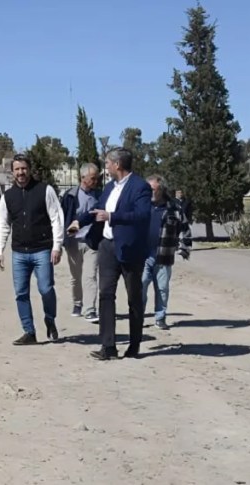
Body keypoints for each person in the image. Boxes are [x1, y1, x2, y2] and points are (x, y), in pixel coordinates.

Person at [77, 148, 152, 360]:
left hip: (130, 249)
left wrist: (112, 216)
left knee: (133, 298)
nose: (105, 167)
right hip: (107, 247)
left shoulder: (140, 187)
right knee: (106, 295)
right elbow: (97, 211)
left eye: (107, 163)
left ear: (117, 165)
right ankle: (108, 346)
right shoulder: (109, 188)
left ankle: (134, 345)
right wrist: (78, 222)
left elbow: (142, 215)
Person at [0, 154, 65, 345]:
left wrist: (57, 246)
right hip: (19, 252)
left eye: (23, 168)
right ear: (12, 172)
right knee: (21, 293)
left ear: (29, 169)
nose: (21, 173)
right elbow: (2, 224)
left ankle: (50, 319)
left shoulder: (45, 190)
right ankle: (29, 332)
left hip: (42, 250)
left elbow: (56, 218)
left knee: (46, 288)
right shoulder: (8, 197)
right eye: (17, 169)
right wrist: (0, 250)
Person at [143, 175, 192, 330]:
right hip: (142, 256)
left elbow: (186, 229)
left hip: (164, 256)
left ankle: (160, 317)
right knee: (140, 286)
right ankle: (138, 317)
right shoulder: (141, 206)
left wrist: (185, 248)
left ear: (161, 189)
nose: (148, 192)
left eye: (152, 189)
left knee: (162, 289)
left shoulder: (174, 209)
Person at [62, 163, 102, 323]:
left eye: (97, 178)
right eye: (93, 178)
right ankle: (77, 303)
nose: (96, 181)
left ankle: (90, 309)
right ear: (83, 178)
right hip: (73, 242)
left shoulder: (100, 196)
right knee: (76, 276)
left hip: (92, 241)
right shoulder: (70, 195)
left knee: (90, 275)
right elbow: (63, 217)